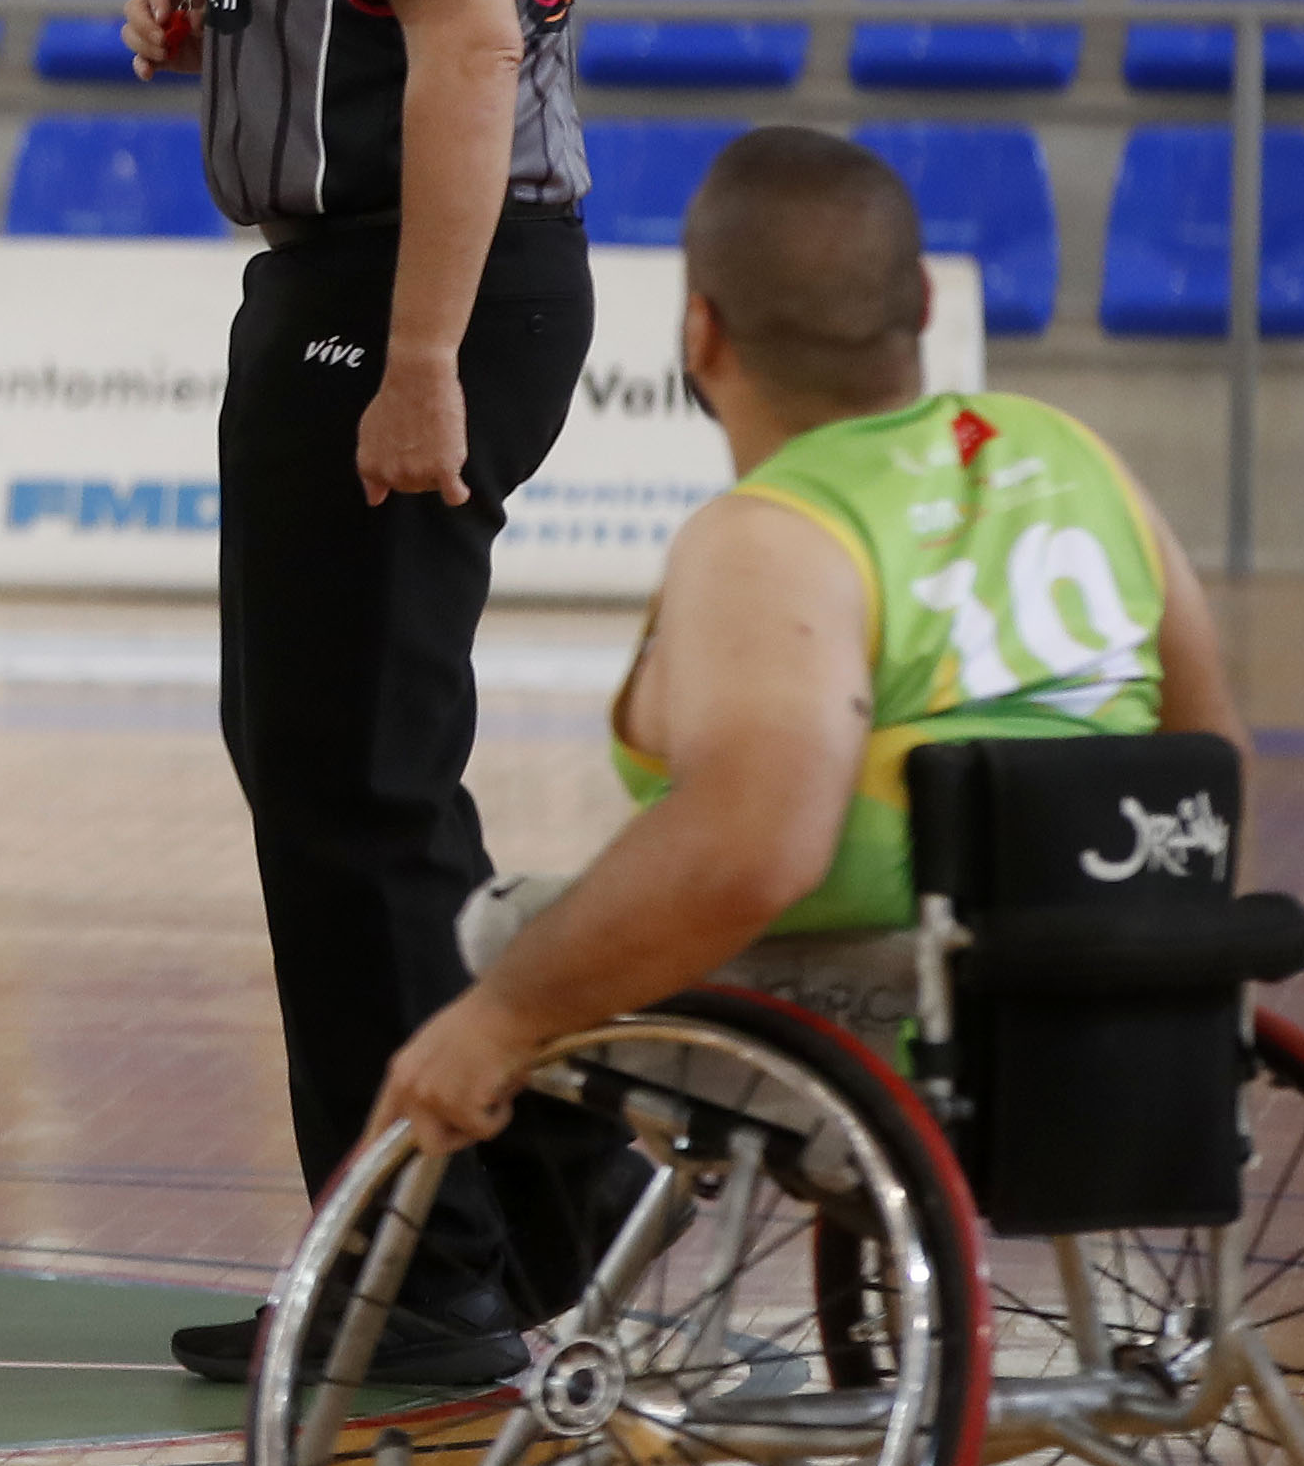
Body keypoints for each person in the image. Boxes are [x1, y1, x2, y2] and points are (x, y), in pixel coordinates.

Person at [121, 0, 593, 1386]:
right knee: (358, 782)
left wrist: (415, 358)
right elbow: (400, 7)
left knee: (352, 792)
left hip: (401, 286)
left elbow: (474, 45)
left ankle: (439, 1273)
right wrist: (226, 7)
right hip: (400, 271)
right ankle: (527, 1216)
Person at [369, 125, 1241, 1159]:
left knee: (509, 935)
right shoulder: (1072, 453)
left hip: (903, 1020)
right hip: (1117, 974)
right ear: (920, 304)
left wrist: (502, 1015)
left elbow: (751, 853)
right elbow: (1207, 753)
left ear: (700, 332)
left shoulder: (776, 535)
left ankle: (513, 1278)